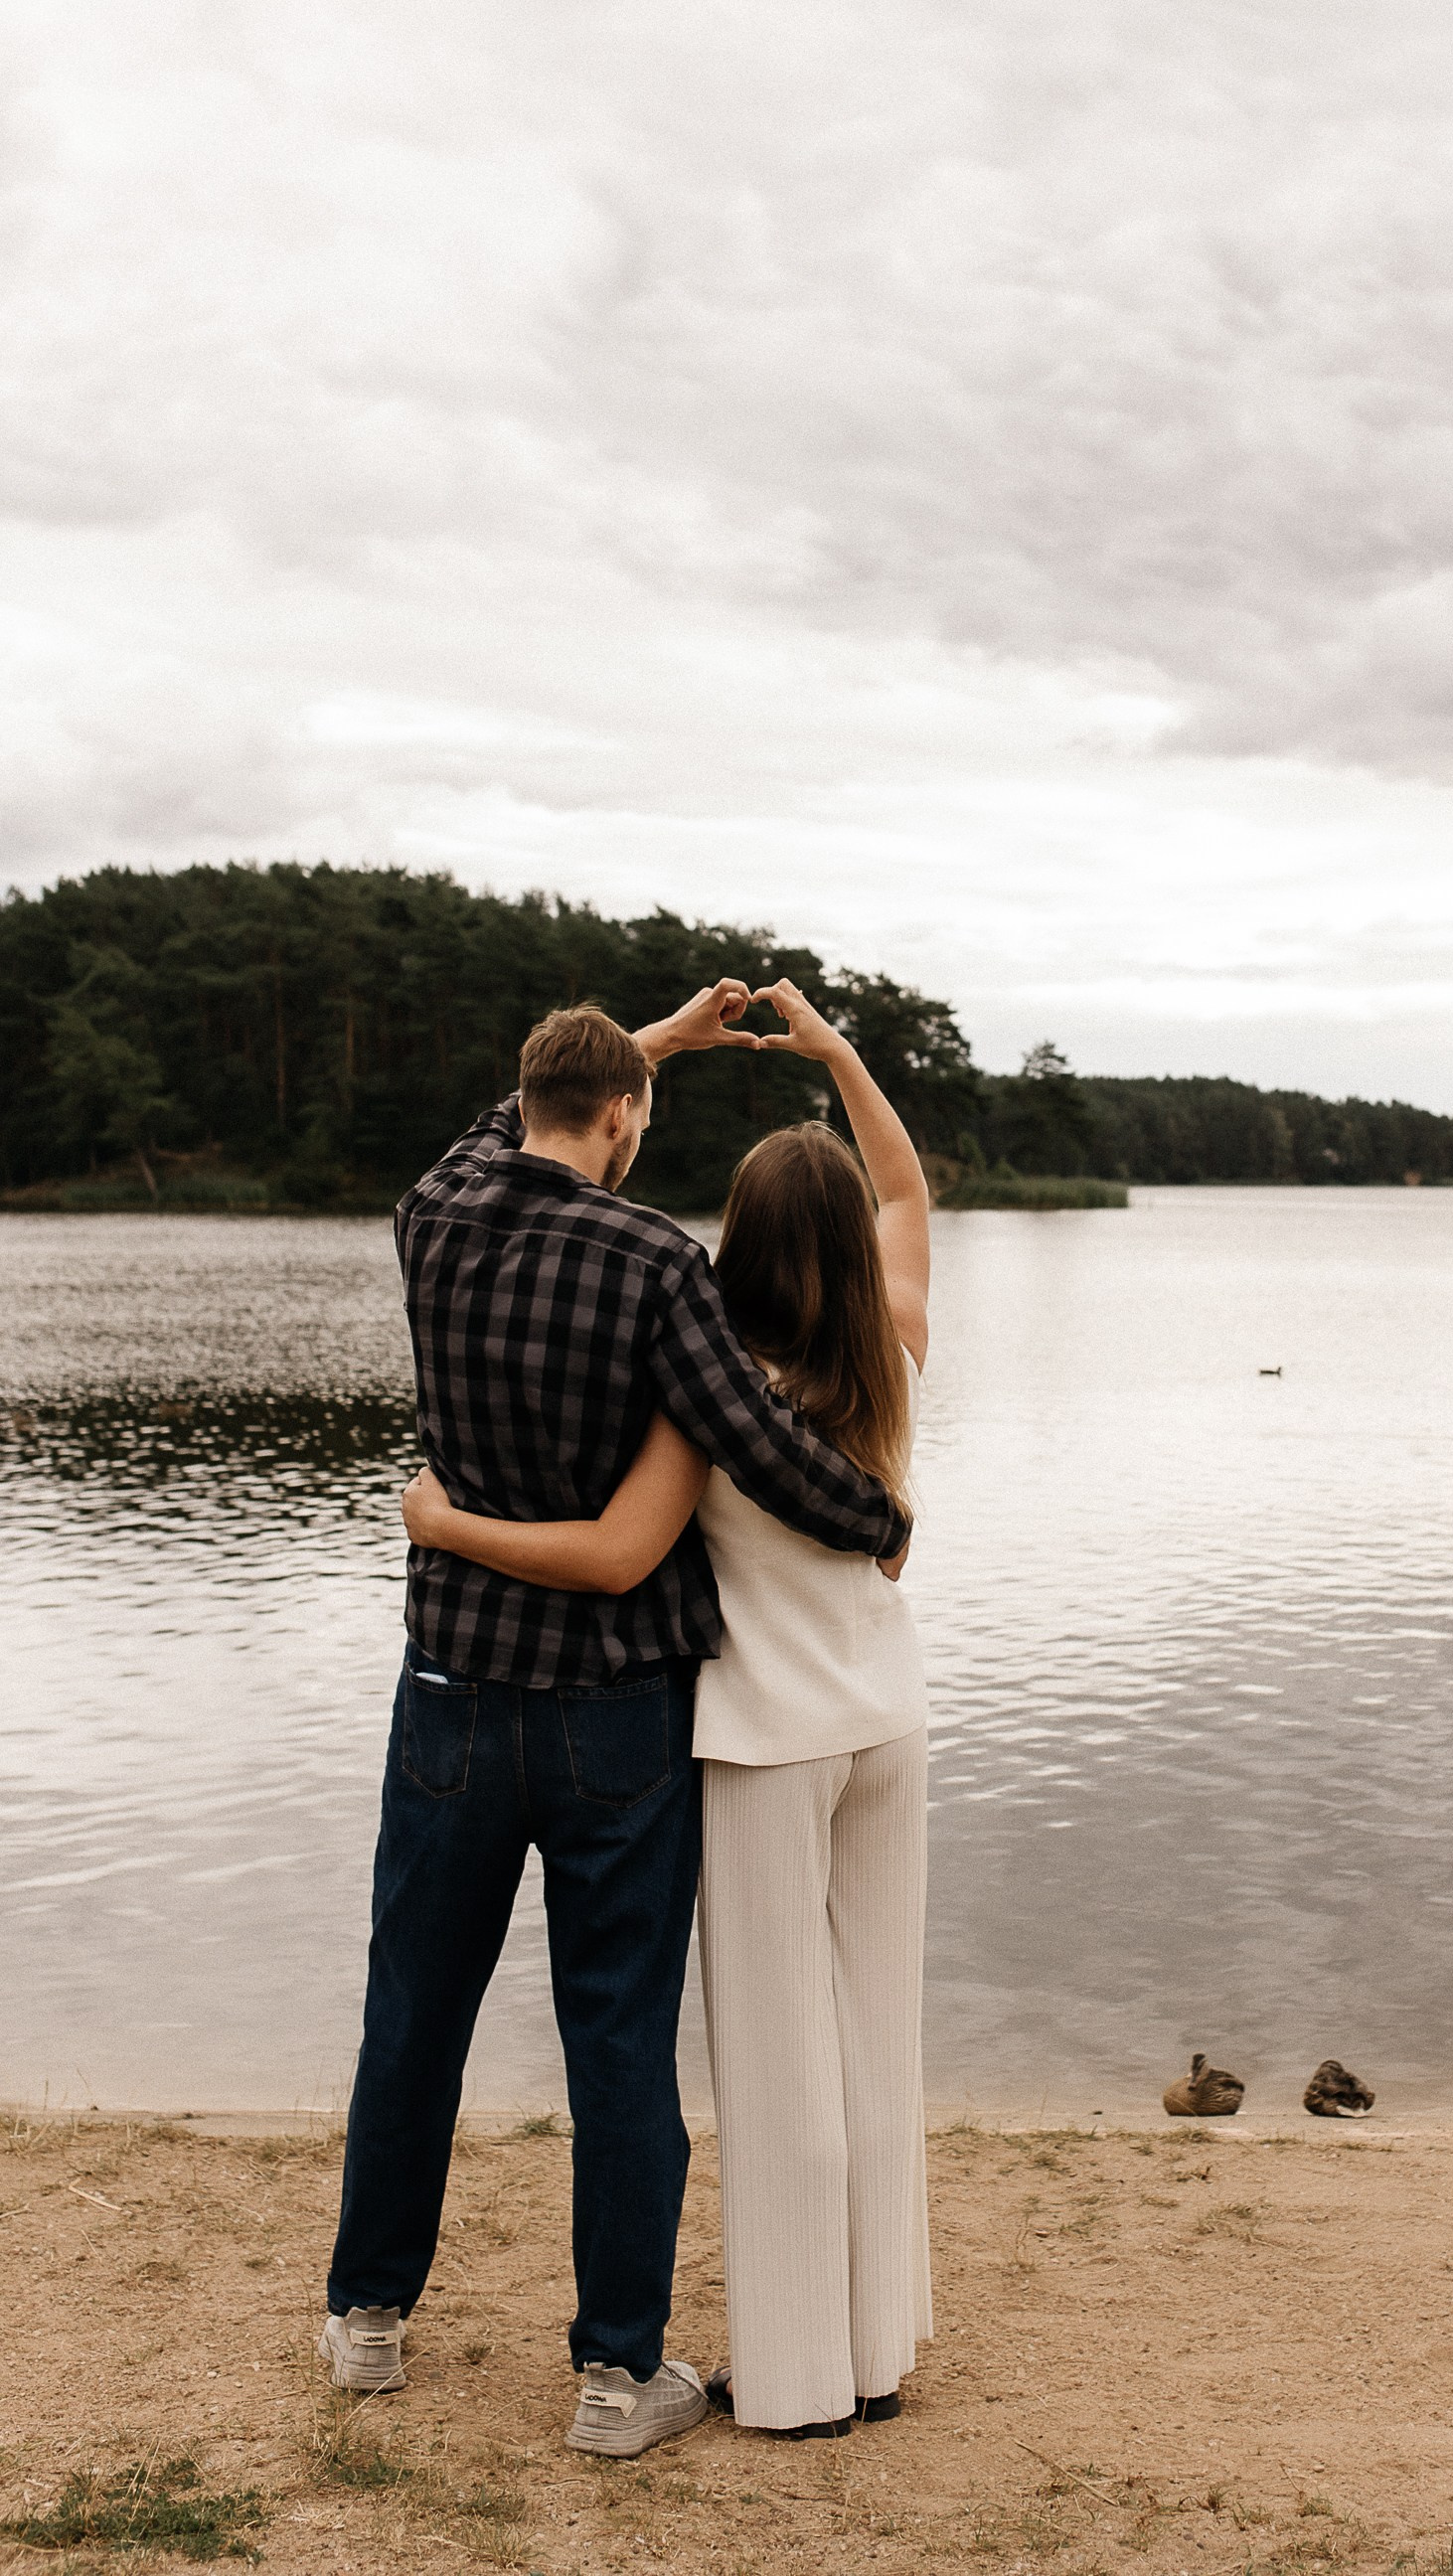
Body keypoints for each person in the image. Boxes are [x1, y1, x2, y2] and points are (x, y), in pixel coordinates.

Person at [322, 987, 909, 2463]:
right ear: (628, 1120)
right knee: (619, 2042)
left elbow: (501, 1127)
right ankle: (614, 2373)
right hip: (615, 1715)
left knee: (414, 2014)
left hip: (452, 1693)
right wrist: (877, 1517)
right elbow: (756, 1443)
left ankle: (369, 2318)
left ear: (533, 1099)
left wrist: (654, 1040)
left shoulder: (432, 1213)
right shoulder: (655, 1262)